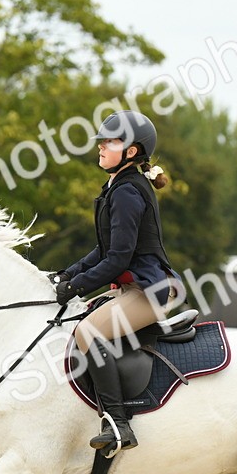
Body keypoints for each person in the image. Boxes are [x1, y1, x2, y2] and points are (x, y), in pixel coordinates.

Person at [52, 110, 182, 452]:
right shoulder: (117, 187)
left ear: (132, 151)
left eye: (110, 141)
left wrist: (76, 287)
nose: (101, 146)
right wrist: (67, 274)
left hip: (150, 290)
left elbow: (117, 261)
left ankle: (118, 423)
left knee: (88, 332)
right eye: (102, 140)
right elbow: (103, 250)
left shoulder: (126, 192)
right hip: (132, 286)